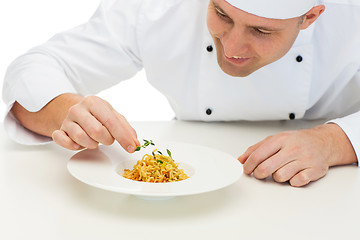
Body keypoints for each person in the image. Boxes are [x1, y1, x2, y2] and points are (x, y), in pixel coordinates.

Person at [2, 0, 360, 187]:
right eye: (221, 13)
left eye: (262, 31)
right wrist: (68, 109)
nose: (233, 46)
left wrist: (335, 141)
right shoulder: (156, 7)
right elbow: (35, 67)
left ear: (310, 17)